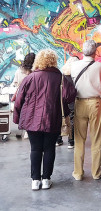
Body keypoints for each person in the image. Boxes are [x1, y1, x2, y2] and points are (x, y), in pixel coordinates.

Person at [13, 49, 76, 191]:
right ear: (53, 61)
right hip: (52, 118)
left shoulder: (30, 78)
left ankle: (35, 181)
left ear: (38, 61)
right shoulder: (60, 78)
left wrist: (17, 118)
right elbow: (70, 95)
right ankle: (46, 179)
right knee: (49, 149)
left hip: (31, 120)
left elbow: (18, 100)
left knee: (35, 149)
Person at [71, 40, 101, 181]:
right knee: (96, 139)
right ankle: (96, 173)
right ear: (95, 52)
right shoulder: (100, 67)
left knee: (79, 140)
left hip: (79, 103)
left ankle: (78, 173)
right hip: (95, 103)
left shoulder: (74, 66)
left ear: (82, 51)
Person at [56, 56, 79, 148]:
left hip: (63, 100)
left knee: (61, 118)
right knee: (72, 119)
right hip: (73, 100)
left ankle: (58, 139)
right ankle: (71, 141)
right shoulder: (77, 75)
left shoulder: (62, 76)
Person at [12, 52, 36, 139]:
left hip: (21, 94)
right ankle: (29, 130)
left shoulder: (19, 70)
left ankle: (25, 130)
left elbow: (15, 82)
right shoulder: (36, 71)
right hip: (32, 95)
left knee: (23, 112)